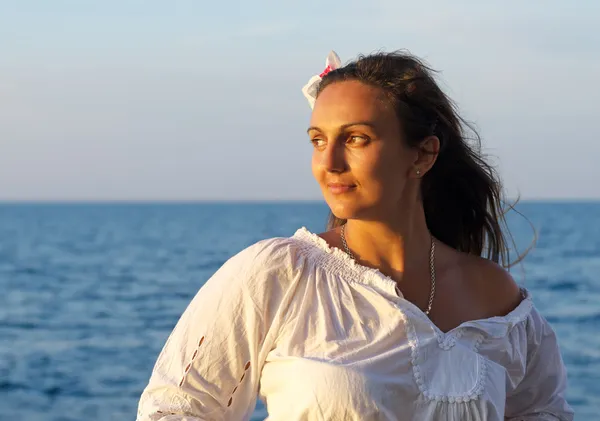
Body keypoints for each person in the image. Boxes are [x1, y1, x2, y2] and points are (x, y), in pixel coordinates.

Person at [137, 50, 574, 420]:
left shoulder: (501, 306)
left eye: (356, 139)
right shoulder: (281, 273)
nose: (329, 162)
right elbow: (174, 406)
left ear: (423, 153)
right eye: (317, 140)